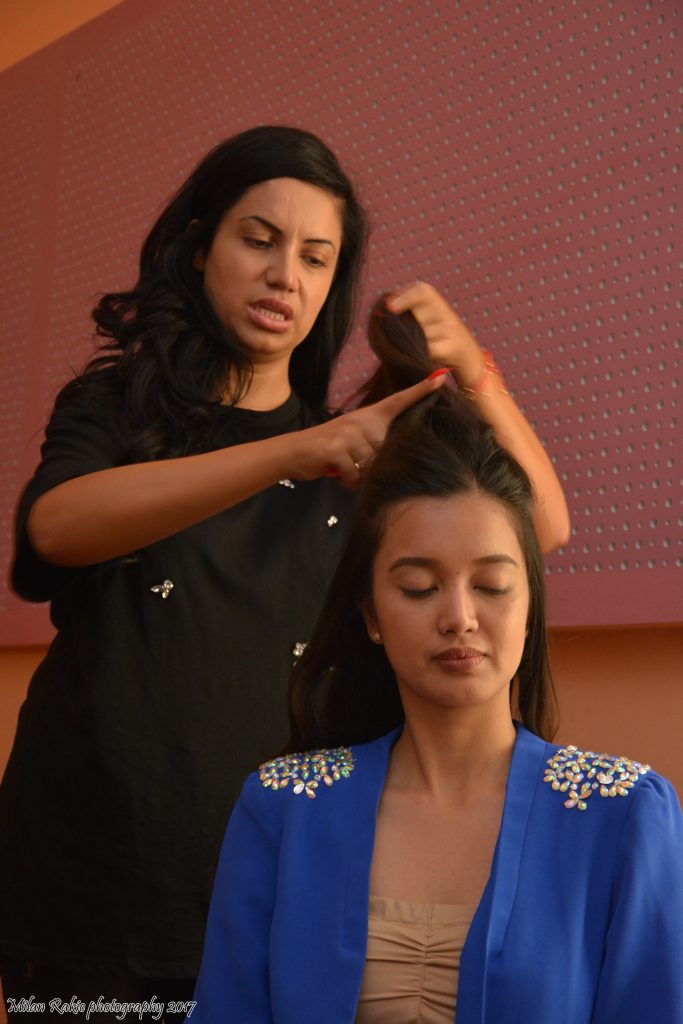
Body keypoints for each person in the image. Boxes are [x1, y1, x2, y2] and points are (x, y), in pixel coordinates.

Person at [0, 126, 569, 1019]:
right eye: (258, 240)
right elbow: (52, 530)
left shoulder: (351, 456)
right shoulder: (120, 404)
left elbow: (538, 525)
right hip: (90, 879)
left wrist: (471, 367)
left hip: (271, 877)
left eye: (315, 257)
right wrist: (289, 454)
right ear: (200, 248)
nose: (283, 277)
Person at [189, 304, 683, 1023]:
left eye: (492, 585)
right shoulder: (283, 806)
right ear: (369, 615)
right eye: (419, 587)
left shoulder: (626, 812)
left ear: (529, 605)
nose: (459, 617)